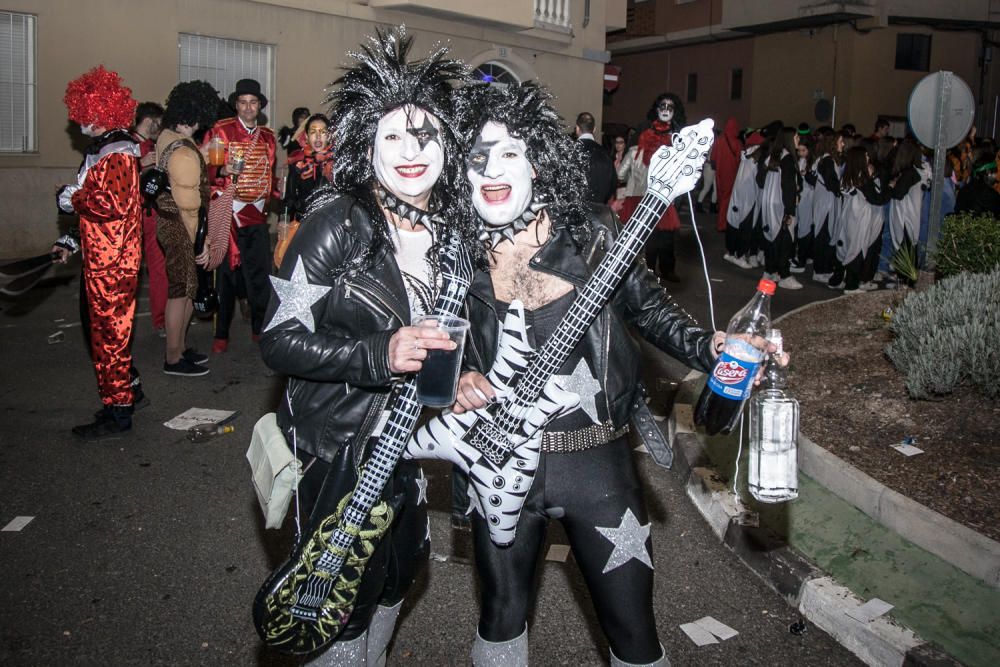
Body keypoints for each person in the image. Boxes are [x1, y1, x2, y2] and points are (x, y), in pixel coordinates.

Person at [447, 81, 732, 667]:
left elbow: (649, 309)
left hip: (596, 461)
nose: (493, 169)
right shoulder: (453, 251)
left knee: (633, 631)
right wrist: (452, 378)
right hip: (497, 465)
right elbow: (431, 335)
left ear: (539, 161)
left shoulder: (594, 231)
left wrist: (709, 347)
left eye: (509, 153)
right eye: (478, 156)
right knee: (500, 623)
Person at [258, 27, 483, 665]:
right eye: (392, 137)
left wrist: (464, 372)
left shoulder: (452, 231)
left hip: (408, 440)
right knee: (338, 596)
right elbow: (279, 341)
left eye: (425, 136)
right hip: (334, 445)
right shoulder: (336, 224)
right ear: (367, 144)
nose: (410, 153)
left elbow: (457, 325)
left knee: (399, 573)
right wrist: (376, 354)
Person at [53, 66, 143, 439]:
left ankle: (119, 412)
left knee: (110, 339)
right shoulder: (106, 151)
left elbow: (110, 204)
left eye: (83, 115)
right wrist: (71, 240)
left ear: (100, 111)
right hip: (103, 256)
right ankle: (120, 398)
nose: (78, 124)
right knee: (106, 338)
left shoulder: (117, 152)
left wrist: (71, 197)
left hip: (114, 263)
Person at [201, 78, 280, 353]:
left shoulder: (268, 137)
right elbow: (209, 170)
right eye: (243, 103)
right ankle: (221, 333)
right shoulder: (221, 131)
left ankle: (259, 328)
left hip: (256, 213)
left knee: (259, 275)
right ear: (237, 105)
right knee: (226, 277)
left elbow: (270, 173)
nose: (248, 108)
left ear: (259, 106)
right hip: (229, 214)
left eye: (253, 103)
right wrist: (220, 172)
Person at [154, 81, 220, 376]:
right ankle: (173, 357)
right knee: (181, 292)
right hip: (182, 229)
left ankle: (180, 347)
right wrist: (201, 243)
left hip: (169, 224)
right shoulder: (182, 152)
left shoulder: (167, 137)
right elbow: (190, 206)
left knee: (186, 289)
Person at [619, 93, 686, 282]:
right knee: (650, 233)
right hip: (644, 190)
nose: (665, 109)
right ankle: (649, 270)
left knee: (667, 235)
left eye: (670, 107)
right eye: (662, 106)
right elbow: (632, 157)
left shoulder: (679, 134)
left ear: (675, 111)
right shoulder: (644, 129)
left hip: (670, 192)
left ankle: (667, 269)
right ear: (656, 109)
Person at [132, 102, 168, 336]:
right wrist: (138, 164)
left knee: (159, 269)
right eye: (158, 123)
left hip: (151, 213)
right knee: (131, 271)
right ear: (150, 121)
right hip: (132, 216)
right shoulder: (126, 145)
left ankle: (161, 320)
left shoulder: (152, 146)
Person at [282, 113, 334, 222]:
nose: (318, 136)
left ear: (329, 135)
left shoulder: (337, 162)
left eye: (323, 132)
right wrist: (284, 221)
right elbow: (289, 199)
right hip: (303, 223)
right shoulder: (298, 162)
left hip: (330, 224)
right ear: (306, 136)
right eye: (313, 132)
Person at [574, 111, 616, 204]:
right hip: (599, 209)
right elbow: (612, 184)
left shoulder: (570, 152)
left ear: (577, 128)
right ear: (594, 129)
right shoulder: (605, 153)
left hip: (575, 209)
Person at [713, 117, 742, 233]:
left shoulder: (719, 140)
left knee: (721, 197)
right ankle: (723, 223)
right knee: (727, 199)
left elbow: (713, 158)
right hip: (732, 174)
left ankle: (722, 222)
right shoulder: (737, 142)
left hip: (719, 173)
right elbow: (740, 159)